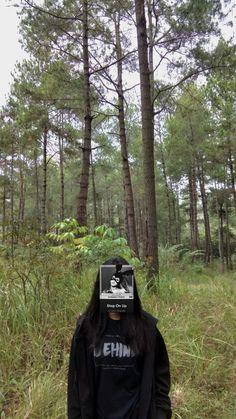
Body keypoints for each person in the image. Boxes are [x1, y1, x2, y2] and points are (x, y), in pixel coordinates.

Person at [67, 256, 172, 419]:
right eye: (110, 281)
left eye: (119, 281)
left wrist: (160, 414)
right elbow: (75, 384)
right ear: (100, 287)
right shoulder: (86, 329)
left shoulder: (147, 329)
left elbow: (160, 380)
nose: (115, 285)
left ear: (129, 287)